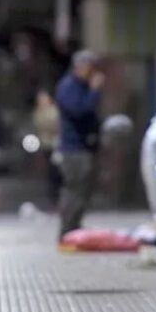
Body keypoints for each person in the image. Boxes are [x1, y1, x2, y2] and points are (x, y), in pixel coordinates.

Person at [55, 50, 104, 240]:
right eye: (90, 68)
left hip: (83, 148)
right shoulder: (69, 87)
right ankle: (67, 229)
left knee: (82, 191)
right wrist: (94, 91)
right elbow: (79, 110)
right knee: (74, 190)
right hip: (73, 150)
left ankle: (74, 227)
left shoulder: (82, 87)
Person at [33, 89, 62, 204]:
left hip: (55, 143)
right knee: (50, 170)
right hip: (45, 144)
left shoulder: (54, 111)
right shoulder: (38, 112)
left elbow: (56, 125)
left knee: (56, 169)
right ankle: (53, 194)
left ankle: (57, 193)